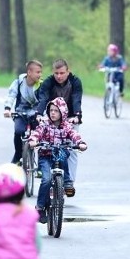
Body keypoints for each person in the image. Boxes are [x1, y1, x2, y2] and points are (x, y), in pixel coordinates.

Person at [28, 98, 88, 223]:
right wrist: (33, 140)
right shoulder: (44, 124)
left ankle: (66, 182)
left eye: (56, 111)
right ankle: (39, 208)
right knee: (46, 179)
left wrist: (80, 143)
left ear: (63, 112)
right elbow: (37, 133)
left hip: (60, 153)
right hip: (45, 155)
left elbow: (73, 134)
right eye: (51, 110)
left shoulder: (66, 126)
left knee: (63, 155)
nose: (53, 113)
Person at [35, 59, 84, 196]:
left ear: (68, 71)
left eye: (62, 73)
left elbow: (76, 99)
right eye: (56, 73)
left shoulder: (75, 82)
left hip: (70, 116)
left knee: (71, 149)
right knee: (47, 146)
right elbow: (43, 98)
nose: (59, 76)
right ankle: (50, 179)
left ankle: (69, 182)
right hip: (51, 116)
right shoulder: (48, 82)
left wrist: (78, 116)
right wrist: (39, 114)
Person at [3, 60, 43, 164]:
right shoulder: (18, 82)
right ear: (29, 72)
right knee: (18, 131)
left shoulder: (41, 85)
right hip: (21, 113)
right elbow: (11, 95)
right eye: (37, 72)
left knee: (40, 135)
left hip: (36, 114)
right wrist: (7, 109)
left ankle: (41, 164)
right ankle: (18, 154)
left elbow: (44, 100)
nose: (40, 75)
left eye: (40, 72)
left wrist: (43, 114)